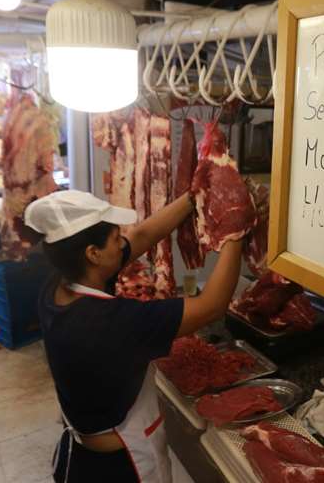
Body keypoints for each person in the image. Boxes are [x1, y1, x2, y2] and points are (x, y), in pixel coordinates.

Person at [25, 189, 249, 483]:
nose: (123, 243)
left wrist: (192, 196)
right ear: (93, 254)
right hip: (121, 466)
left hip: (81, 453)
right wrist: (237, 229)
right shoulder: (110, 322)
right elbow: (211, 306)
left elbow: (142, 235)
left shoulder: (57, 285)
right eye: (116, 239)